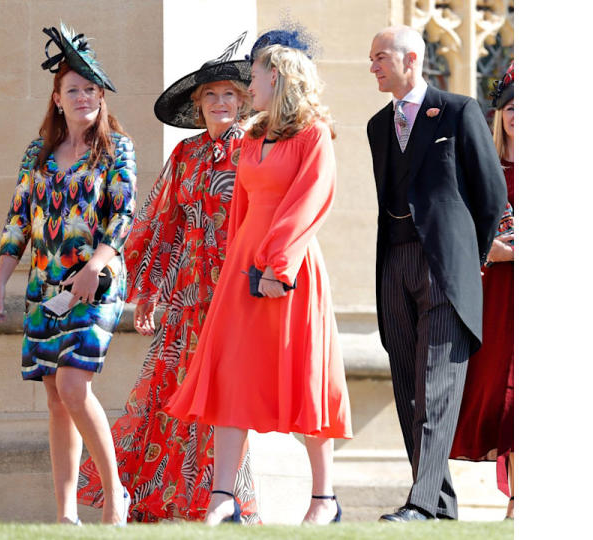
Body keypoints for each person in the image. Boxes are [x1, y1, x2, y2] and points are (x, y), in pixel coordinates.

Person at [164, 28, 353, 526]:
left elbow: (309, 202)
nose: (249, 85)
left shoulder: (314, 134)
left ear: (279, 77)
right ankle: (222, 497)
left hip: (287, 270)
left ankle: (324, 499)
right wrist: (237, 268)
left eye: (254, 76)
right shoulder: (250, 136)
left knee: (301, 377)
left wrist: (277, 265)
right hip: (245, 269)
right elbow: (240, 212)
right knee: (231, 377)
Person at [76, 32, 261, 523]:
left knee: (226, 397)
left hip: (238, 295)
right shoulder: (186, 155)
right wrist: (150, 291)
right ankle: (166, 505)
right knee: (174, 393)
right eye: (210, 96)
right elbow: (159, 224)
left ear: (243, 102)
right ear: (198, 105)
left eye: (229, 95)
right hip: (187, 296)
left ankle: (222, 503)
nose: (220, 103)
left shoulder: (259, 150)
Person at [0, 23, 135, 526]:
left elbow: (124, 216)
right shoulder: (37, 154)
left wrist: (95, 264)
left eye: (92, 88)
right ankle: (65, 514)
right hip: (45, 285)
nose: (84, 96)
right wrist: (1, 277)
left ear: (101, 96)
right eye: (74, 88)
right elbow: (17, 219)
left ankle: (116, 494)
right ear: (57, 97)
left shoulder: (118, 148)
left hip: (96, 283)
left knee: (73, 385)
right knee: (54, 397)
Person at [366, 26, 508, 522]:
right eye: (370, 59)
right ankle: (440, 504)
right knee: (408, 385)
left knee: (437, 385)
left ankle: (421, 502)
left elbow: (491, 195)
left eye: (380, 57)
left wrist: (470, 257)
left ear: (411, 59)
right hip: (395, 265)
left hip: (446, 269)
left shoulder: (459, 110)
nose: (373, 66)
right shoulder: (376, 126)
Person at [450, 62, 515, 520]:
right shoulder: (482, 169)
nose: (519, 116)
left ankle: (519, 504)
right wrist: (483, 248)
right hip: (493, 299)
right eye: (511, 107)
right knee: (498, 396)